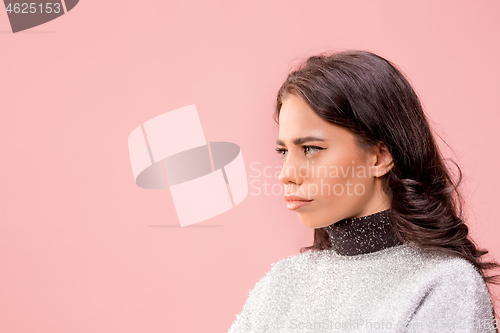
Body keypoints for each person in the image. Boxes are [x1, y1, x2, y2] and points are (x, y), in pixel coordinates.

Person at [227, 50, 500, 333]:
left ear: (380, 157)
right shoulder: (280, 283)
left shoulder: (443, 285)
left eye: (310, 149)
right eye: (284, 151)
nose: (286, 174)